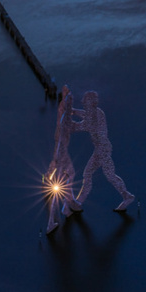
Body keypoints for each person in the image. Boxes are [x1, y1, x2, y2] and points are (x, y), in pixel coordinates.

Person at [70, 90, 137, 213]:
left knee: (92, 173)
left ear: (90, 101)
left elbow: (84, 126)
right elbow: (85, 114)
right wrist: (73, 111)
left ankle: (79, 201)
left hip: (102, 149)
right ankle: (127, 195)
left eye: (85, 99)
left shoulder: (95, 114)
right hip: (102, 148)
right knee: (107, 175)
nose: (82, 101)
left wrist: (70, 124)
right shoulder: (96, 112)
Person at [44, 85, 79, 233]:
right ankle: (51, 222)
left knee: (70, 175)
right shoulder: (65, 118)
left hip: (62, 153)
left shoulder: (63, 114)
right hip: (62, 154)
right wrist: (56, 159)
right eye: (70, 101)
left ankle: (68, 205)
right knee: (58, 188)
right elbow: (60, 140)